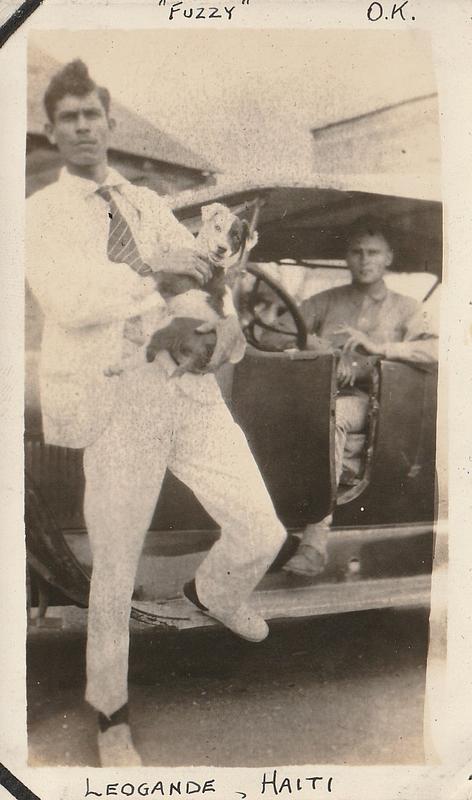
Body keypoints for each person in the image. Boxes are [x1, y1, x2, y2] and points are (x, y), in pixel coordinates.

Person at [26, 60, 286, 766]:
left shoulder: (142, 199)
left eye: (92, 115)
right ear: (54, 131)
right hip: (118, 398)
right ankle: (110, 715)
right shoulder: (39, 213)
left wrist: (217, 281)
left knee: (262, 527)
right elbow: (71, 299)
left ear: (110, 122)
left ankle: (215, 590)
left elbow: (192, 276)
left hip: (188, 391)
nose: (83, 128)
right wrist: (154, 275)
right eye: (69, 119)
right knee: (114, 568)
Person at [278, 216, 439, 577]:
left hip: (380, 406)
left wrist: (378, 349)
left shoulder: (408, 308)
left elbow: (437, 350)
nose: (365, 260)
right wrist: (327, 353)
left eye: (373, 252)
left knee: (332, 418)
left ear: (388, 258)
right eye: (356, 252)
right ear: (346, 258)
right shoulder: (324, 302)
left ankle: (314, 544)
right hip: (320, 394)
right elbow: (280, 335)